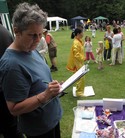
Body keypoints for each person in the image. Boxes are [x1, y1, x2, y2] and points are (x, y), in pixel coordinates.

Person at [0, 2, 62, 138]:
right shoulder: (11, 65)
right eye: (32, 35)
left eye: (40, 34)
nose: (38, 40)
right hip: (39, 129)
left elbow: (38, 79)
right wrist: (45, 95)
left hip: (51, 120)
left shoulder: (31, 49)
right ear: (16, 31)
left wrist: (53, 87)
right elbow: (14, 109)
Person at [0, 24, 24, 138]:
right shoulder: (4, 31)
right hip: (6, 87)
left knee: (11, 127)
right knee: (12, 126)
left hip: (3, 89)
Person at [66, 28, 85, 97]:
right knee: (81, 76)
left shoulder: (78, 41)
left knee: (81, 76)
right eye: (82, 32)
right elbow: (76, 54)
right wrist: (83, 58)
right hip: (77, 62)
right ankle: (79, 92)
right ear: (78, 34)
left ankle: (80, 90)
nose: (83, 34)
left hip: (79, 62)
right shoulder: (76, 43)